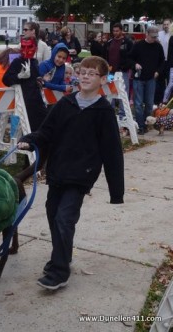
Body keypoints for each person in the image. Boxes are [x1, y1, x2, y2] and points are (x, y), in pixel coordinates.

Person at [17, 56, 124, 290]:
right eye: (82, 71)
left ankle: (59, 272)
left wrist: (117, 191)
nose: (85, 76)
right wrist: (28, 139)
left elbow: (112, 152)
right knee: (53, 214)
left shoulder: (103, 111)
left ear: (103, 80)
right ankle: (62, 255)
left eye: (91, 73)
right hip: (57, 171)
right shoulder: (65, 104)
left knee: (65, 218)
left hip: (80, 176)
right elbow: (46, 132)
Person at [3, 37, 47, 133]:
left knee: (42, 126)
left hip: (36, 101)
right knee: (21, 131)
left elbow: (35, 77)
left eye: (30, 47)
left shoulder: (34, 62)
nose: (26, 50)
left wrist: (39, 79)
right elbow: (6, 79)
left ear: (35, 48)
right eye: (23, 47)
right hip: (22, 102)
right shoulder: (17, 62)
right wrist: (19, 76)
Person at [129, 26, 165, 135]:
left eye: (155, 37)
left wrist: (158, 72)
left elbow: (162, 61)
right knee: (138, 103)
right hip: (138, 78)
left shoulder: (158, 46)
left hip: (151, 78)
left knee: (149, 104)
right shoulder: (138, 45)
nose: (154, 39)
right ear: (147, 34)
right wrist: (135, 64)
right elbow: (129, 58)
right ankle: (141, 126)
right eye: (152, 37)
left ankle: (146, 122)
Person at [105, 23, 134, 120]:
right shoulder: (109, 42)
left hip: (122, 72)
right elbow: (106, 55)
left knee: (123, 91)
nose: (115, 33)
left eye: (117, 31)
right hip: (111, 72)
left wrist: (125, 66)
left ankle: (123, 114)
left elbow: (131, 57)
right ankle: (110, 111)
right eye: (114, 31)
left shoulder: (127, 42)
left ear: (121, 31)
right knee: (109, 89)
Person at [155, 19, 172, 104]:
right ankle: (159, 101)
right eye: (164, 24)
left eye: (167, 24)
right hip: (161, 61)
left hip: (169, 62)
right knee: (160, 82)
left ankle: (168, 101)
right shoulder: (159, 34)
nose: (166, 26)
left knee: (170, 82)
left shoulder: (171, 35)